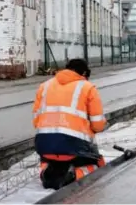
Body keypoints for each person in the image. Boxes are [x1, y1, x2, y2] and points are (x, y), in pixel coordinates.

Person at [32, 58, 107, 190]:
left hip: (44, 144)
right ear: (84, 74)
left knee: (50, 160)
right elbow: (98, 125)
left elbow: (36, 121)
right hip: (74, 146)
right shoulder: (88, 88)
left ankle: (46, 173)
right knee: (98, 165)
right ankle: (74, 176)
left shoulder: (45, 86)